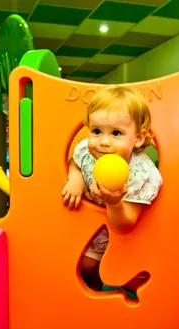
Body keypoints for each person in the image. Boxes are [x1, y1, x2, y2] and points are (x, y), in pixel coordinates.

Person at [62, 86, 163, 294]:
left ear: (138, 138)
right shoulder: (88, 151)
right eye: (96, 131)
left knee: (120, 274)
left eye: (116, 133)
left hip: (123, 237)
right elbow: (76, 161)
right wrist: (76, 179)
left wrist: (115, 202)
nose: (103, 142)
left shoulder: (141, 174)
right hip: (88, 224)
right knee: (83, 268)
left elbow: (126, 223)